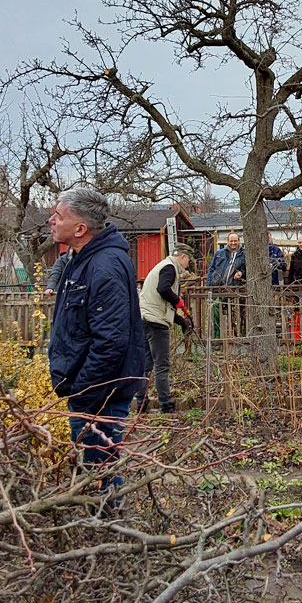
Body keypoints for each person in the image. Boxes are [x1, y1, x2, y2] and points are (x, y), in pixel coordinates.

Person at [48, 188, 144, 492]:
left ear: (80, 228)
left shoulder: (104, 266)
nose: (51, 220)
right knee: (96, 468)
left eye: (58, 215)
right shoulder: (80, 259)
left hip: (99, 397)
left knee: (100, 470)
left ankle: (110, 528)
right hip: (90, 394)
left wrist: (82, 392)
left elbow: (110, 342)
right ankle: (103, 523)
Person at [134, 243, 194, 414]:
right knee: (162, 365)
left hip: (145, 319)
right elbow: (163, 289)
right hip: (156, 324)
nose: (187, 265)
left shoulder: (162, 266)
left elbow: (160, 303)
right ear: (182, 257)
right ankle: (166, 404)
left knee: (146, 364)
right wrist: (178, 301)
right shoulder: (170, 268)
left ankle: (141, 404)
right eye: (188, 260)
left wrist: (181, 321)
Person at [207, 232, 246, 336]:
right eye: (231, 241)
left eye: (235, 241)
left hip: (233, 288)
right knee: (214, 308)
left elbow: (247, 270)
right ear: (227, 241)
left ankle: (234, 334)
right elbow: (211, 269)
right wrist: (209, 284)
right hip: (218, 287)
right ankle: (217, 334)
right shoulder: (219, 253)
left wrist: (241, 273)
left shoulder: (244, 255)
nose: (233, 243)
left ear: (239, 241)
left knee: (219, 307)